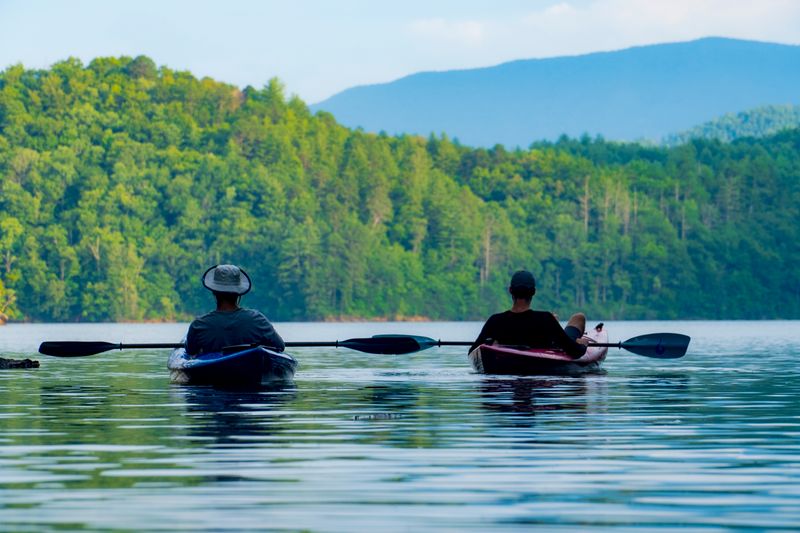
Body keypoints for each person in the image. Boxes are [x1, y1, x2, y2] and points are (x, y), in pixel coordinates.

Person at [469, 270, 589, 357]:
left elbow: (472, 352)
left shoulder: (495, 321)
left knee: (558, 320)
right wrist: (583, 344)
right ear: (533, 292)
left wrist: (491, 345)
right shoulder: (546, 319)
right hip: (553, 345)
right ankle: (571, 337)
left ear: (510, 290)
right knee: (579, 317)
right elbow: (575, 352)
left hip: (508, 360)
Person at [185, 264, 285, 355]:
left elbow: (190, 352)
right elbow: (280, 346)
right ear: (239, 292)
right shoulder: (258, 320)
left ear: (214, 292)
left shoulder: (198, 325)